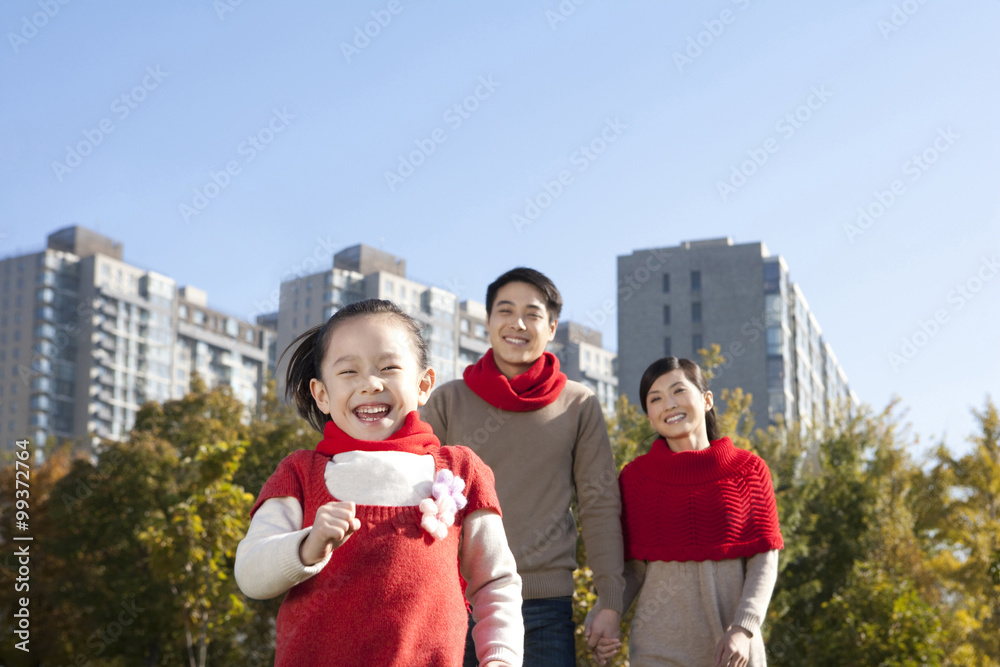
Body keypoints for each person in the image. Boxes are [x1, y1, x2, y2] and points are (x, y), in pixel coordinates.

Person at [235, 299, 523, 667]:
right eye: (348, 372)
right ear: (321, 394)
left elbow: (495, 584)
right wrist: (308, 546)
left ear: (424, 384)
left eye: (388, 367)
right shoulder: (299, 474)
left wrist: (501, 660)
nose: (370, 384)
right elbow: (250, 573)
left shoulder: (461, 470)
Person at [420, 268, 625, 667]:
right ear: (488, 322)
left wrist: (610, 600)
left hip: (544, 608)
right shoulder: (447, 401)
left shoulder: (579, 404)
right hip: (458, 603)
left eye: (532, 313)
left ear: (551, 327)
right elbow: (412, 495)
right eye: (505, 310)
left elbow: (599, 505)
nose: (517, 323)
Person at [612, 356, 783, 667]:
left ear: (706, 400)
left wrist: (744, 628)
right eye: (656, 398)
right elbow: (632, 571)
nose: (669, 404)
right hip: (657, 650)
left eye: (678, 391)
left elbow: (764, 558)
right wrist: (607, 615)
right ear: (650, 417)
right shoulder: (634, 479)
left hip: (734, 652)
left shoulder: (749, 470)